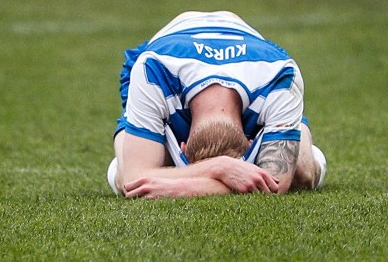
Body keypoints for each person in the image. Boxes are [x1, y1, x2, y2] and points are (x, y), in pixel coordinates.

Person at [107, 10, 327, 199]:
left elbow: (276, 184)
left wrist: (183, 186)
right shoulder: (151, 69)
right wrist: (220, 168)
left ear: (182, 146)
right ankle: (132, 158)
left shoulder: (279, 74)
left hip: (255, 51)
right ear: (251, 144)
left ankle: (296, 137)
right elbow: (135, 179)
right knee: (125, 179)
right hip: (166, 48)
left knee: (302, 174)